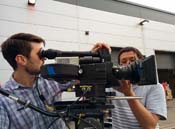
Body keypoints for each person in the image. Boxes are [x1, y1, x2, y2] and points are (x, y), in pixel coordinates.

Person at [0, 33, 110, 129]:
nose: (44, 58)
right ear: (21, 59)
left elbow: (82, 74)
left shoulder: (50, 79)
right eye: (40, 54)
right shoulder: (4, 100)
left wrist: (93, 55)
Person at [111, 47, 167, 129]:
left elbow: (150, 126)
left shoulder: (155, 87)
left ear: (142, 63)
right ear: (119, 66)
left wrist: (128, 93)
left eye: (132, 60)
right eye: (123, 62)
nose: (128, 64)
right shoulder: (113, 85)